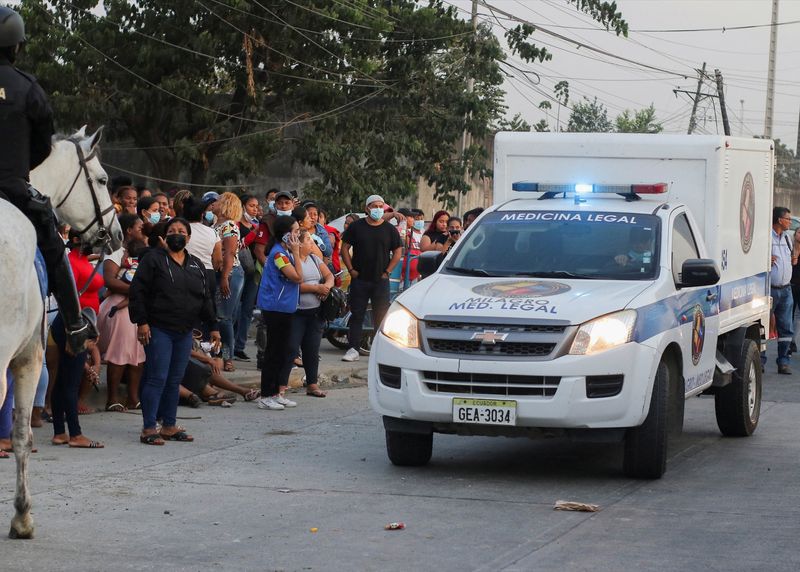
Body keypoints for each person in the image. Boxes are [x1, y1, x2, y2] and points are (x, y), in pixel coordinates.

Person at [0, 6, 94, 355]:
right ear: (16, 46)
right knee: (53, 247)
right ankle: (75, 324)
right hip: (11, 186)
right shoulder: (28, 88)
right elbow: (42, 146)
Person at [129, 217, 221, 445]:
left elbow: (205, 298)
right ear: (165, 236)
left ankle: (169, 425)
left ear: (188, 237)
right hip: (159, 328)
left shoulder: (196, 264)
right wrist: (141, 322)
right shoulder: (153, 260)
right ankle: (149, 427)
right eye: (172, 230)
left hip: (184, 331)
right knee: (157, 377)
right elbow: (138, 292)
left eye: (181, 231)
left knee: (175, 379)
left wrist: (214, 327)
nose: (176, 234)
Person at [50, 230, 105, 448]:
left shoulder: (79, 260)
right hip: (72, 324)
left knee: (63, 380)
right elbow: (66, 297)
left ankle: (59, 432)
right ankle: (75, 434)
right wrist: (73, 333)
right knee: (70, 382)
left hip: (81, 323)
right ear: (75, 240)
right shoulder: (71, 262)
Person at [340, 195, 403, 362]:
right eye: (374, 206)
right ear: (367, 208)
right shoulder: (356, 227)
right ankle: (353, 348)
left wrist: (387, 271)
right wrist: (351, 269)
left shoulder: (389, 229)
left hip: (380, 280)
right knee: (357, 315)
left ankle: (379, 349)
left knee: (381, 316)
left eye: (380, 206)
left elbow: (398, 251)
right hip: (359, 278)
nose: (378, 209)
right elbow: (344, 247)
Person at [97, 214, 146, 411]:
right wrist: (137, 290)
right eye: (140, 227)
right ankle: (113, 397)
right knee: (119, 352)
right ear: (129, 230)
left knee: (138, 353)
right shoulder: (115, 252)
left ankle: (133, 397)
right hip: (118, 307)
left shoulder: (145, 250)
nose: (144, 230)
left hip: (138, 306)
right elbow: (109, 280)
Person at [256, 215, 304, 410]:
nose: (298, 235)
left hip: (285, 307)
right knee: (274, 352)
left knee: (283, 351)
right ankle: (266, 395)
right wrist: (297, 252)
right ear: (285, 236)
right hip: (275, 307)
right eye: (295, 232)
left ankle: (276, 393)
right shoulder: (279, 255)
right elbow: (298, 277)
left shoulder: (284, 252)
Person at [289, 229, 334, 397]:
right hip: (296, 312)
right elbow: (293, 284)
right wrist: (316, 288)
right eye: (308, 240)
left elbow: (329, 275)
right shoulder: (291, 260)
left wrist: (326, 287)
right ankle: (280, 385)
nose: (312, 243)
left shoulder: (315, 259)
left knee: (312, 349)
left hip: (315, 312)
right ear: (299, 243)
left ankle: (312, 384)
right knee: (291, 348)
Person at [214, 192, 245, 372]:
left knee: (224, 317)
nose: (214, 203)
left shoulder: (229, 225)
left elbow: (230, 253)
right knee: (220, 317)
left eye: (218, 200)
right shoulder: (216, 224)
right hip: (221, 273)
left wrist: (225, 277)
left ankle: (227, 357)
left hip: (230, 273)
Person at [234, 194, 261, 361]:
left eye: (256, 206)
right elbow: (238, 244)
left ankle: (239, 346)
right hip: (239, 270)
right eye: (251, 206)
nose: (255, 209)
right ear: (242, 206)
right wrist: (253, 234)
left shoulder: (256, 224)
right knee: (234, 310)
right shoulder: (235, 225)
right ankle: (227, 346)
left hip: (253, 272)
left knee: (247, 311)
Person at [769, 206, 794, 374]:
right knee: (762, 327)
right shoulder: (766, 237)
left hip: (786, 290)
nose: (790, 222)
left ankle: (783, 362)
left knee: (786, 328)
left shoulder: (787, 238)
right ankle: (760, 362)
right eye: (788, 219)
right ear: (779, 220)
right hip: (769, 289)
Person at [184, 195, 222, 293]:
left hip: (184, 273)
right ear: (202, 214)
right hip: (208, 274)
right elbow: (218, 260)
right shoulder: (212, 232)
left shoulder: (179, 231)